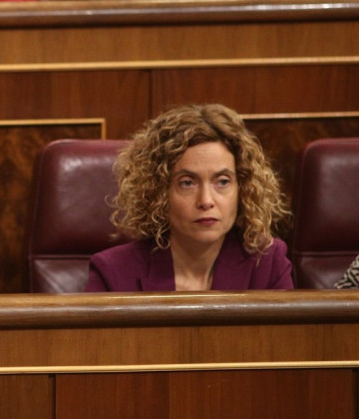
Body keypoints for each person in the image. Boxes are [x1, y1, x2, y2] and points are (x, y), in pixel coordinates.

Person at [85, 104, 292, 292]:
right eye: (187, 183)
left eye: (222, 182)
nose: (206, 200)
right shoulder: (113, 273)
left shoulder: (267, 262)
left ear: (242, 188)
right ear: (159, 193)